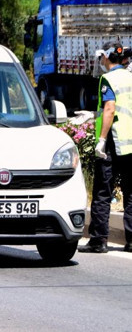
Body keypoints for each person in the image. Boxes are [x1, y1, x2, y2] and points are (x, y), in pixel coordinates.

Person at [79, 42, 132, 254]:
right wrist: (93, 115)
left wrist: (101, 139)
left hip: (112, 142)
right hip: (130, 144)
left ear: (107, 56)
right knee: (131, 192)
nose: (100, 60)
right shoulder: (130, 77)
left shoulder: (108, 79)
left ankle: (98, 240)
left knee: (102, 191)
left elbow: (110, 109)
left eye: (101, 56)